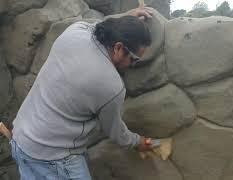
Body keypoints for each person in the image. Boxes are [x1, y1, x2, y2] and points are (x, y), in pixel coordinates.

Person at [10, 7, 154, 180]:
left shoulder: (75, 32)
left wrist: (125, 18)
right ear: (118, 48)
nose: (133, 65)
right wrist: (138, 142)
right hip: (53, 157)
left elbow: (99, 25)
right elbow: (115, 131)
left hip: (21, 137)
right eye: (133, 59)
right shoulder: (111, 85)